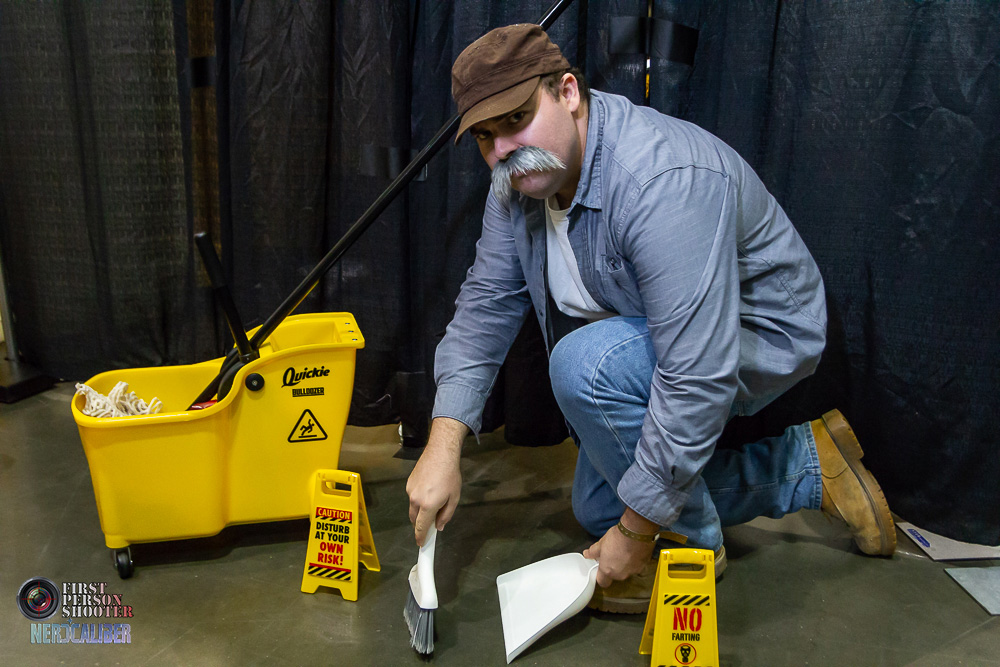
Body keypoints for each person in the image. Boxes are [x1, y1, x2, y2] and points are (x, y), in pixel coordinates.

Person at [406, 23, 896, 613]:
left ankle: (692, 545)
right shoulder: (516, 182)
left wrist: (638, 533)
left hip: (757, 333)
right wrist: (443, 445)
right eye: (486, 136)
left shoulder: (660, 180)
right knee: (598, 507)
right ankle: (807, 468)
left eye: (516, 119)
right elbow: (486, 303)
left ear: (568, 93)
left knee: (583, 369)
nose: (503, 149)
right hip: (657, 335)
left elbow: (696, 373)